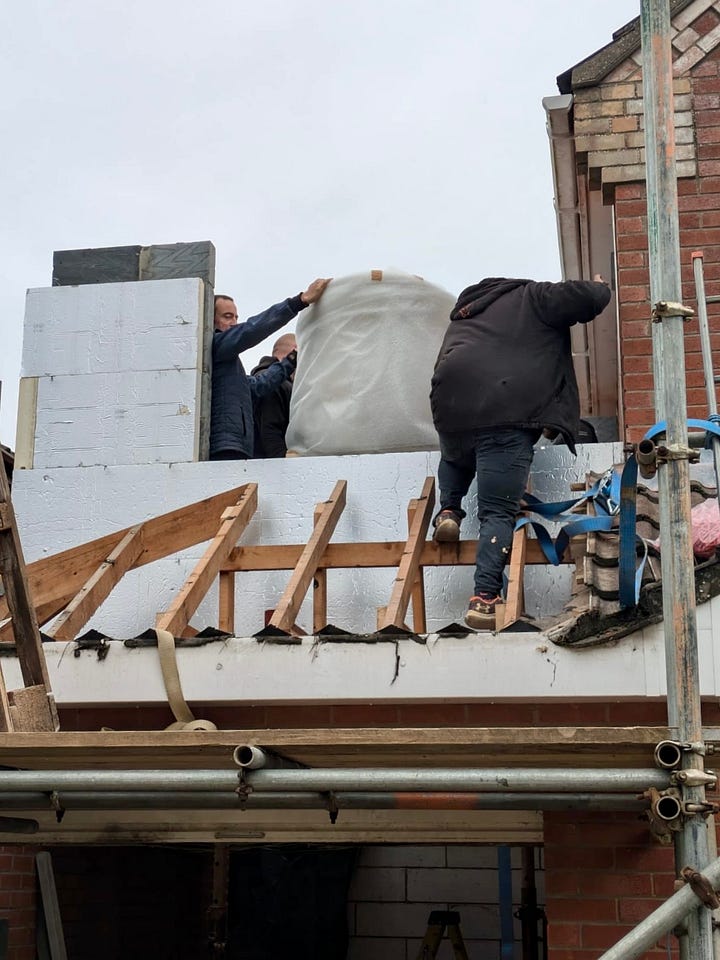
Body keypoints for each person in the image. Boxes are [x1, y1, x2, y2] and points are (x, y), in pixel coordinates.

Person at [429, 274, 612, 631]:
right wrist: (599, 285)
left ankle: (448, 510)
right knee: (497, 511)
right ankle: (484, 598)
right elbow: (586, 299)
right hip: (506, 406)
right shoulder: (532, 296)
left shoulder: (465, 314)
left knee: (456, 455)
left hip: (450, 401)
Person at [210, 280, 330, 460]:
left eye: (236, 317)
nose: (235, 322)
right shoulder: (217, 344)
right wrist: (300, 301)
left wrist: (292, 359)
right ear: (210, 321)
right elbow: (252, 329)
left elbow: (259, 385)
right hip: (226, 447)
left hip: (238, 447)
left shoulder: (229, 365)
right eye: (228, 316)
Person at [250, 333, 297, 458]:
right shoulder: (274, 384)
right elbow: (269, 430)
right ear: (296, 350)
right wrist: (286, 464)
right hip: (271, 469)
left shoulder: (273, 381)